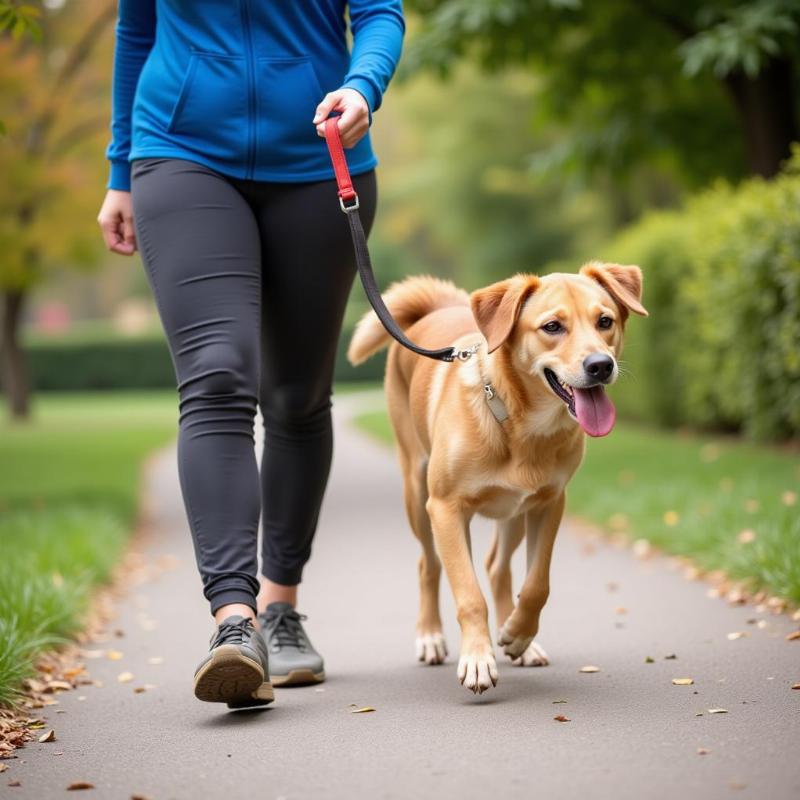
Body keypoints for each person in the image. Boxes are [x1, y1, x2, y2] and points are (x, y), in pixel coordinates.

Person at [97, 0, 405, 709]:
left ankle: (280, 608)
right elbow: (137, 29)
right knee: (216, 376)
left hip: (318, 155)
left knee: (297, 396)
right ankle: (234, 624)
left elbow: (381, 12)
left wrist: (363, 85)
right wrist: (120, 168)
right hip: (181, 152)